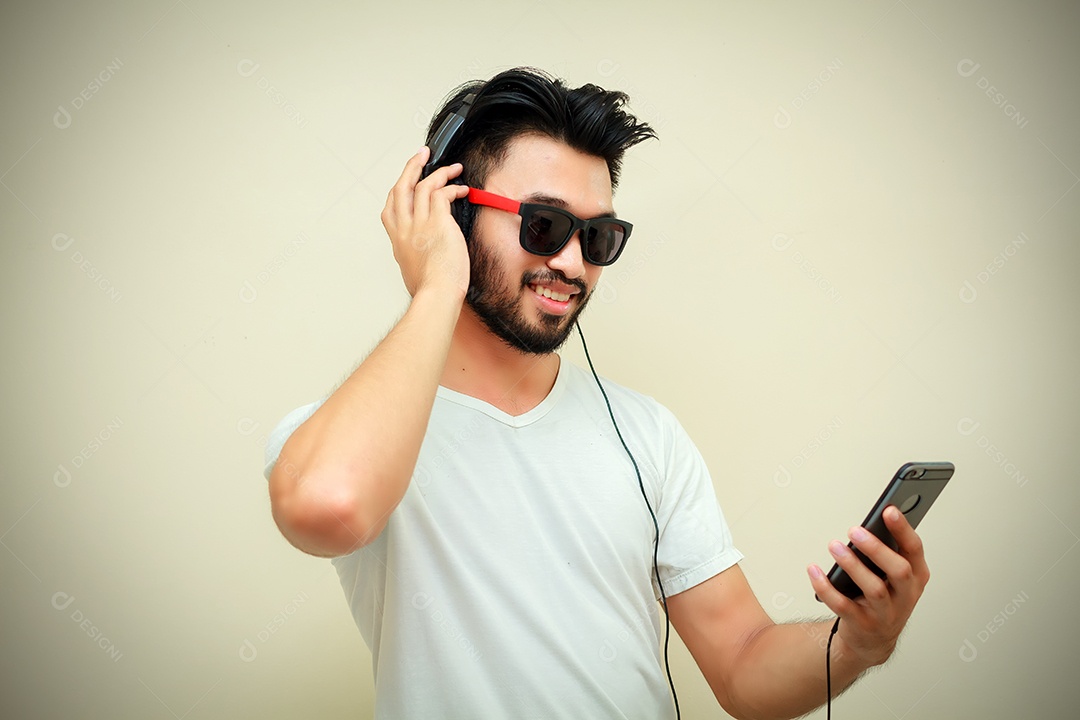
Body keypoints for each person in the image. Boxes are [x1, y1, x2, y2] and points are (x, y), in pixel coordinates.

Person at [263, 67, 930, 719]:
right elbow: (329, 507)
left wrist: (859, 645)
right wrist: (437, 284)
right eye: (543, 226)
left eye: (599, 237)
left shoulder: (647, 435)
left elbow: (744, 668)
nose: (574, 265)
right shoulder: (340, 437)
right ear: (452, 215)